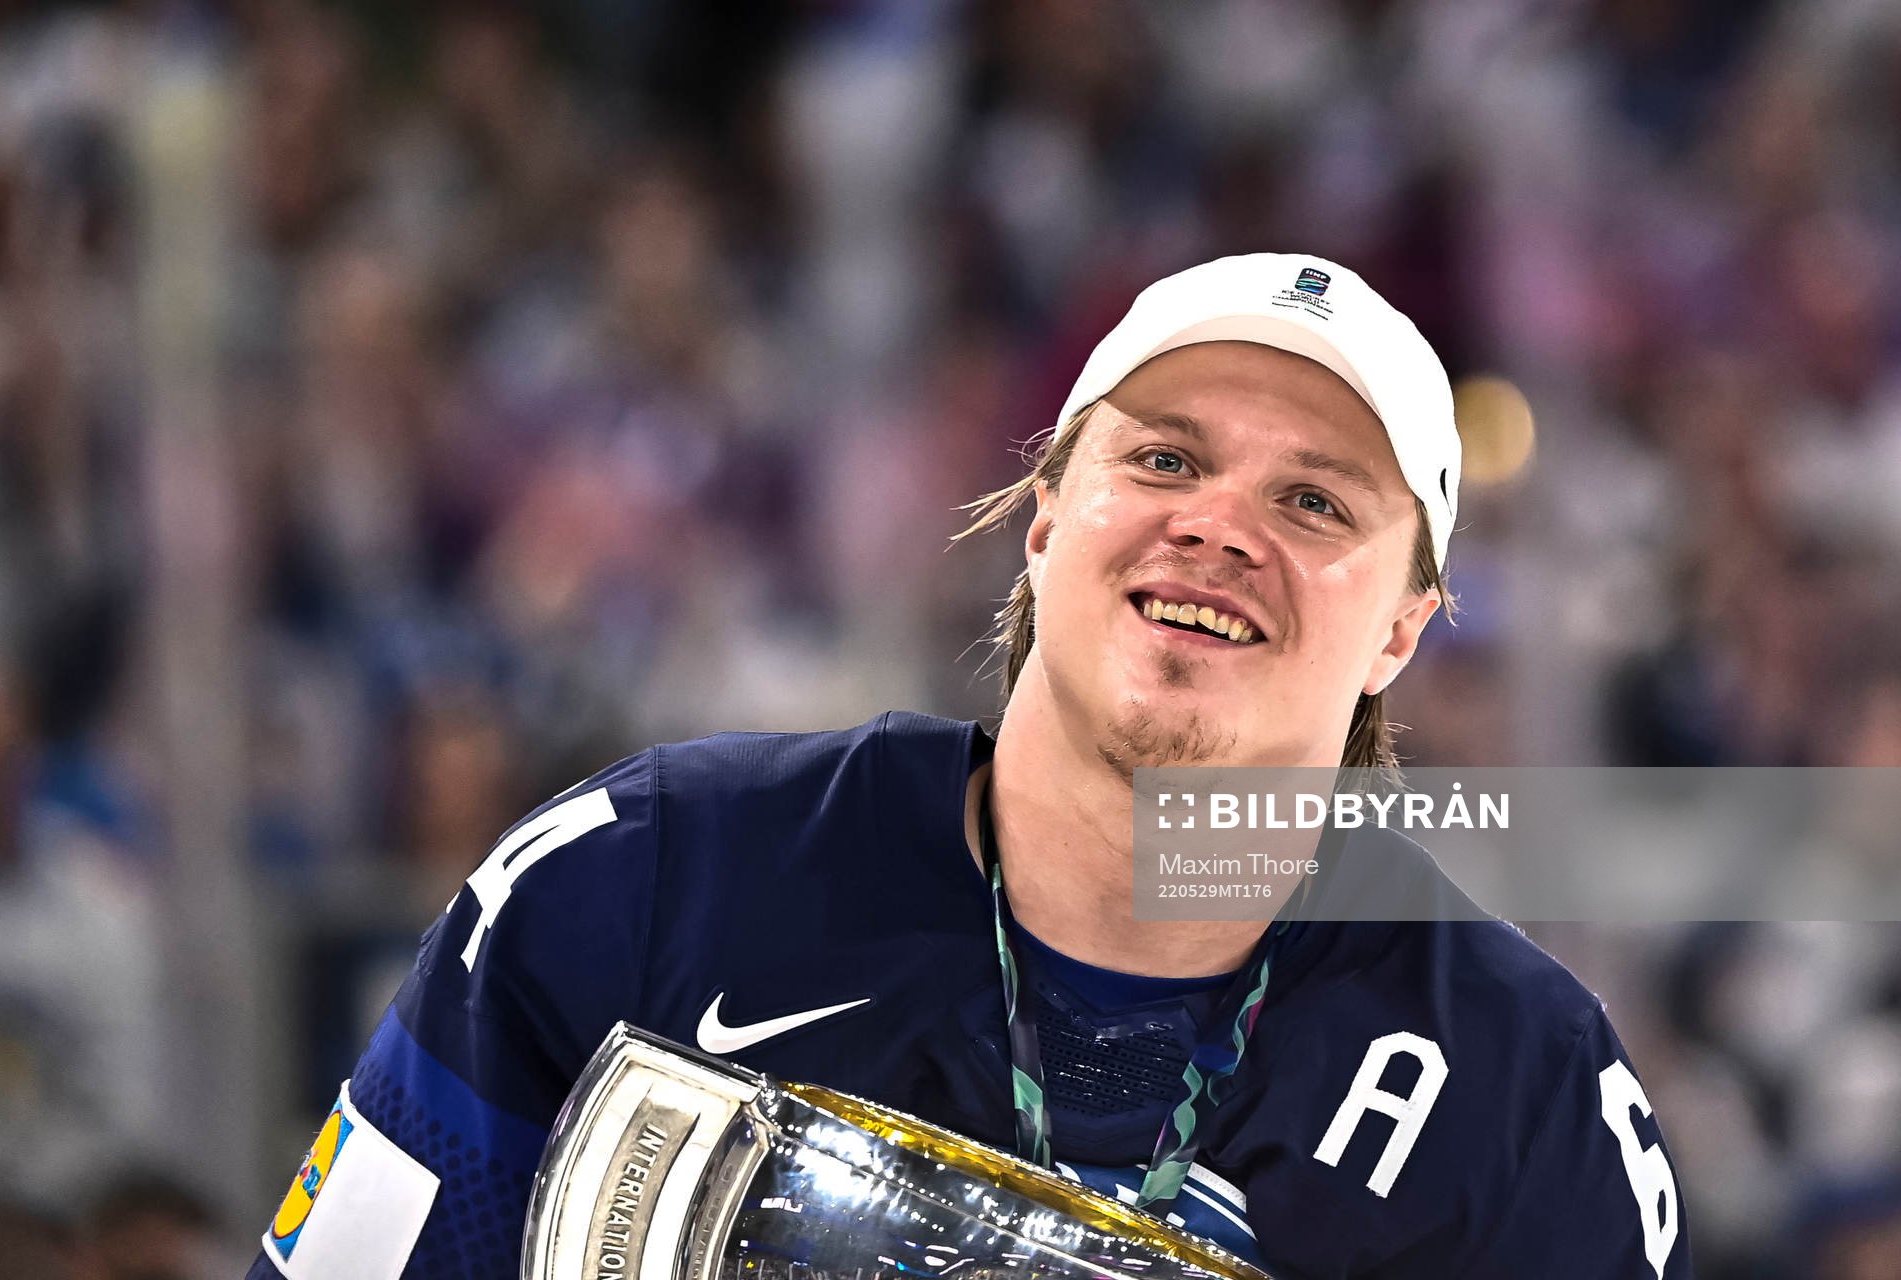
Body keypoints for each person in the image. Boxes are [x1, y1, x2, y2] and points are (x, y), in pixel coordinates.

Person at [245, 254, 1691, 1279]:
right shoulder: (641, 877)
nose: (1219, 526)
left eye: (1313, 501)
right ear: (1046, 519)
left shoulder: (1529, 1095)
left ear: (1404, 629)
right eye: (1166, 461)